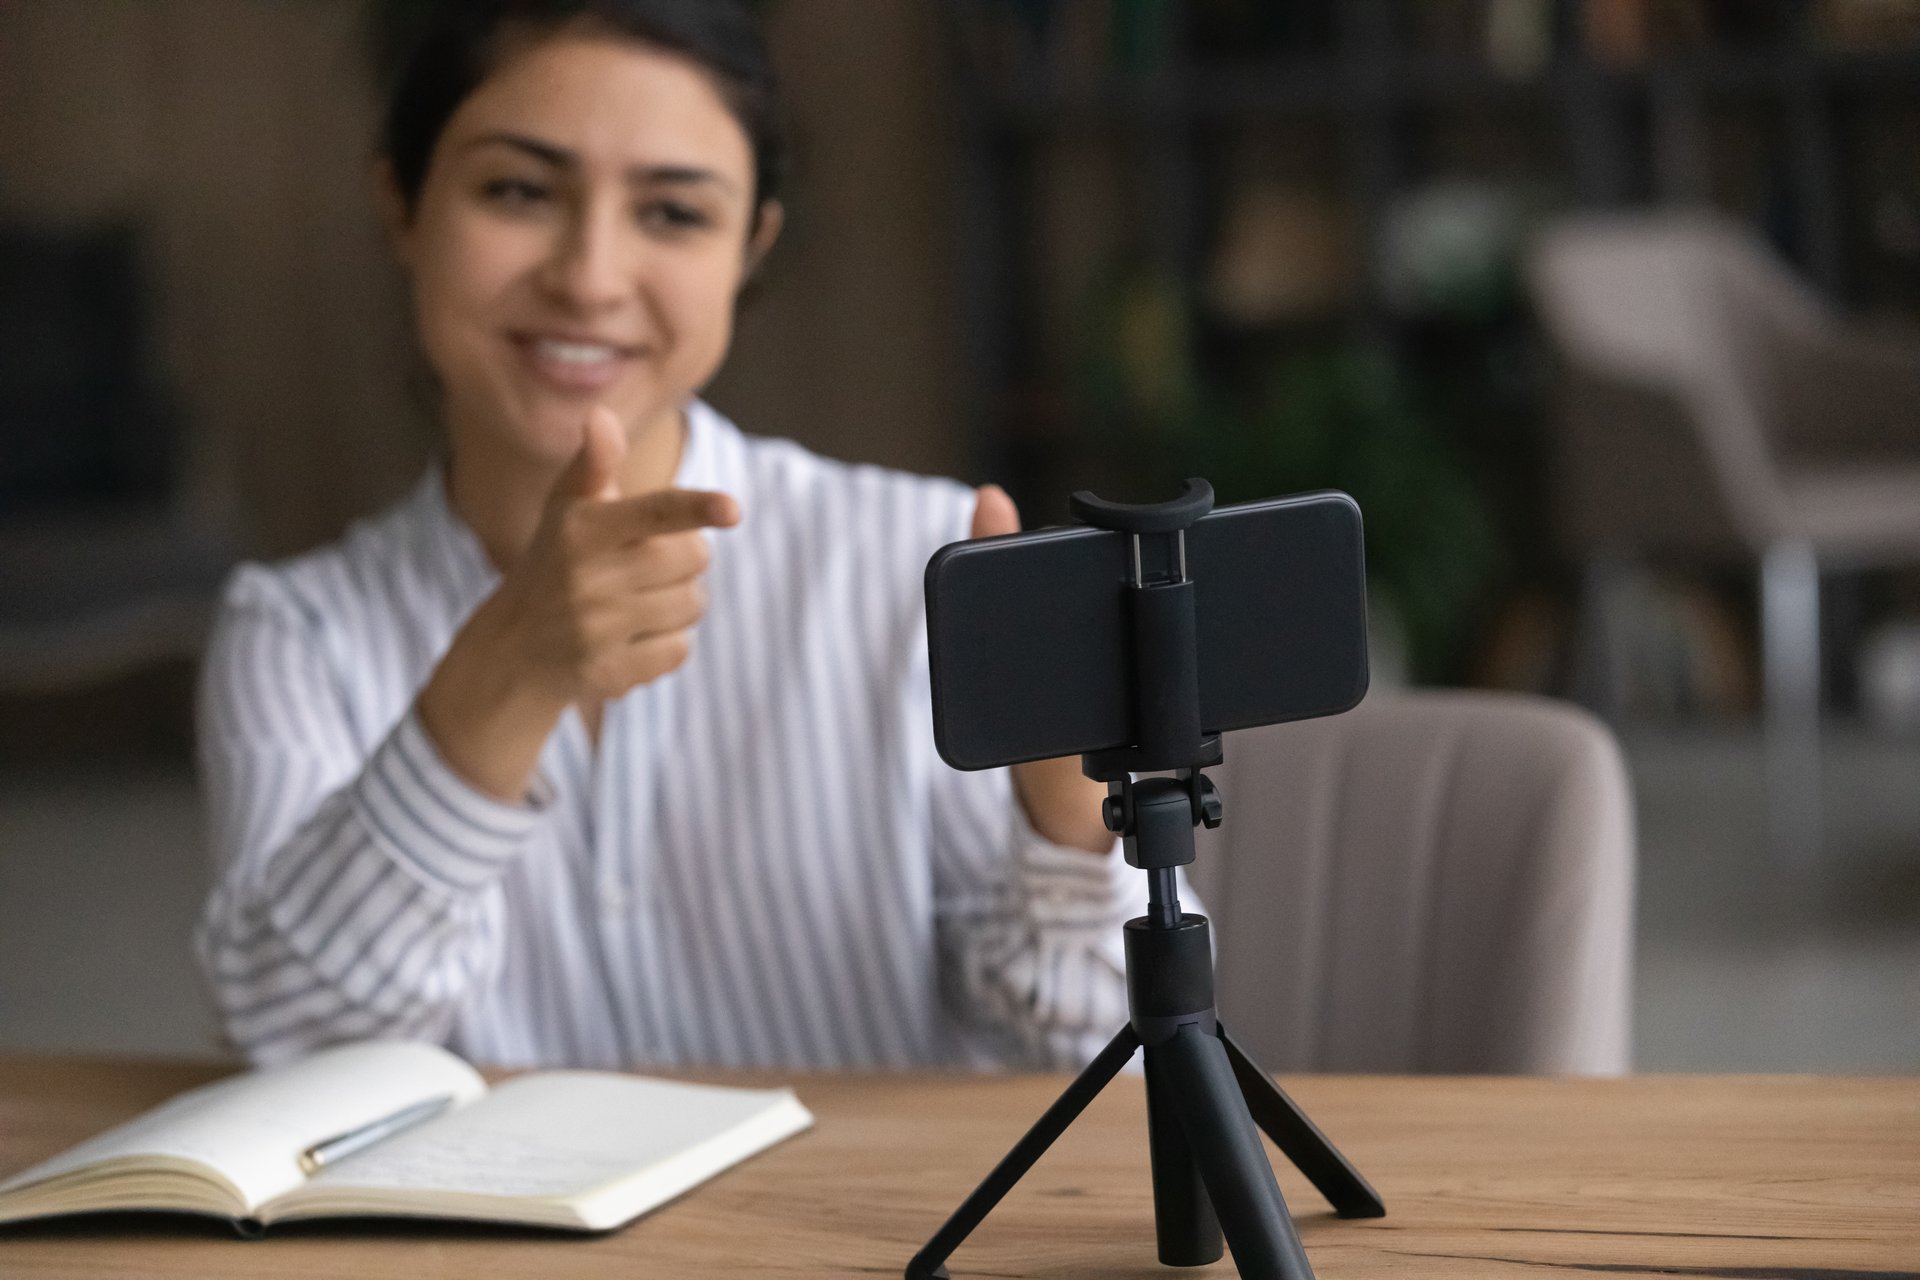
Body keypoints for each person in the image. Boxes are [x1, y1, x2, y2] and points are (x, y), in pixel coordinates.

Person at [196, 0, 1191, 1071]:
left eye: (673, 212)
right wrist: (508, 670)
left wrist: (1068, 839)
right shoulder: (295, 632)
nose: (588, 275)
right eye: (518, 191)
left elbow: (1110, 1064)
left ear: (749, 245)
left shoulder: (924, 568)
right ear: (402, 203)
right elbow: (285, 1043)